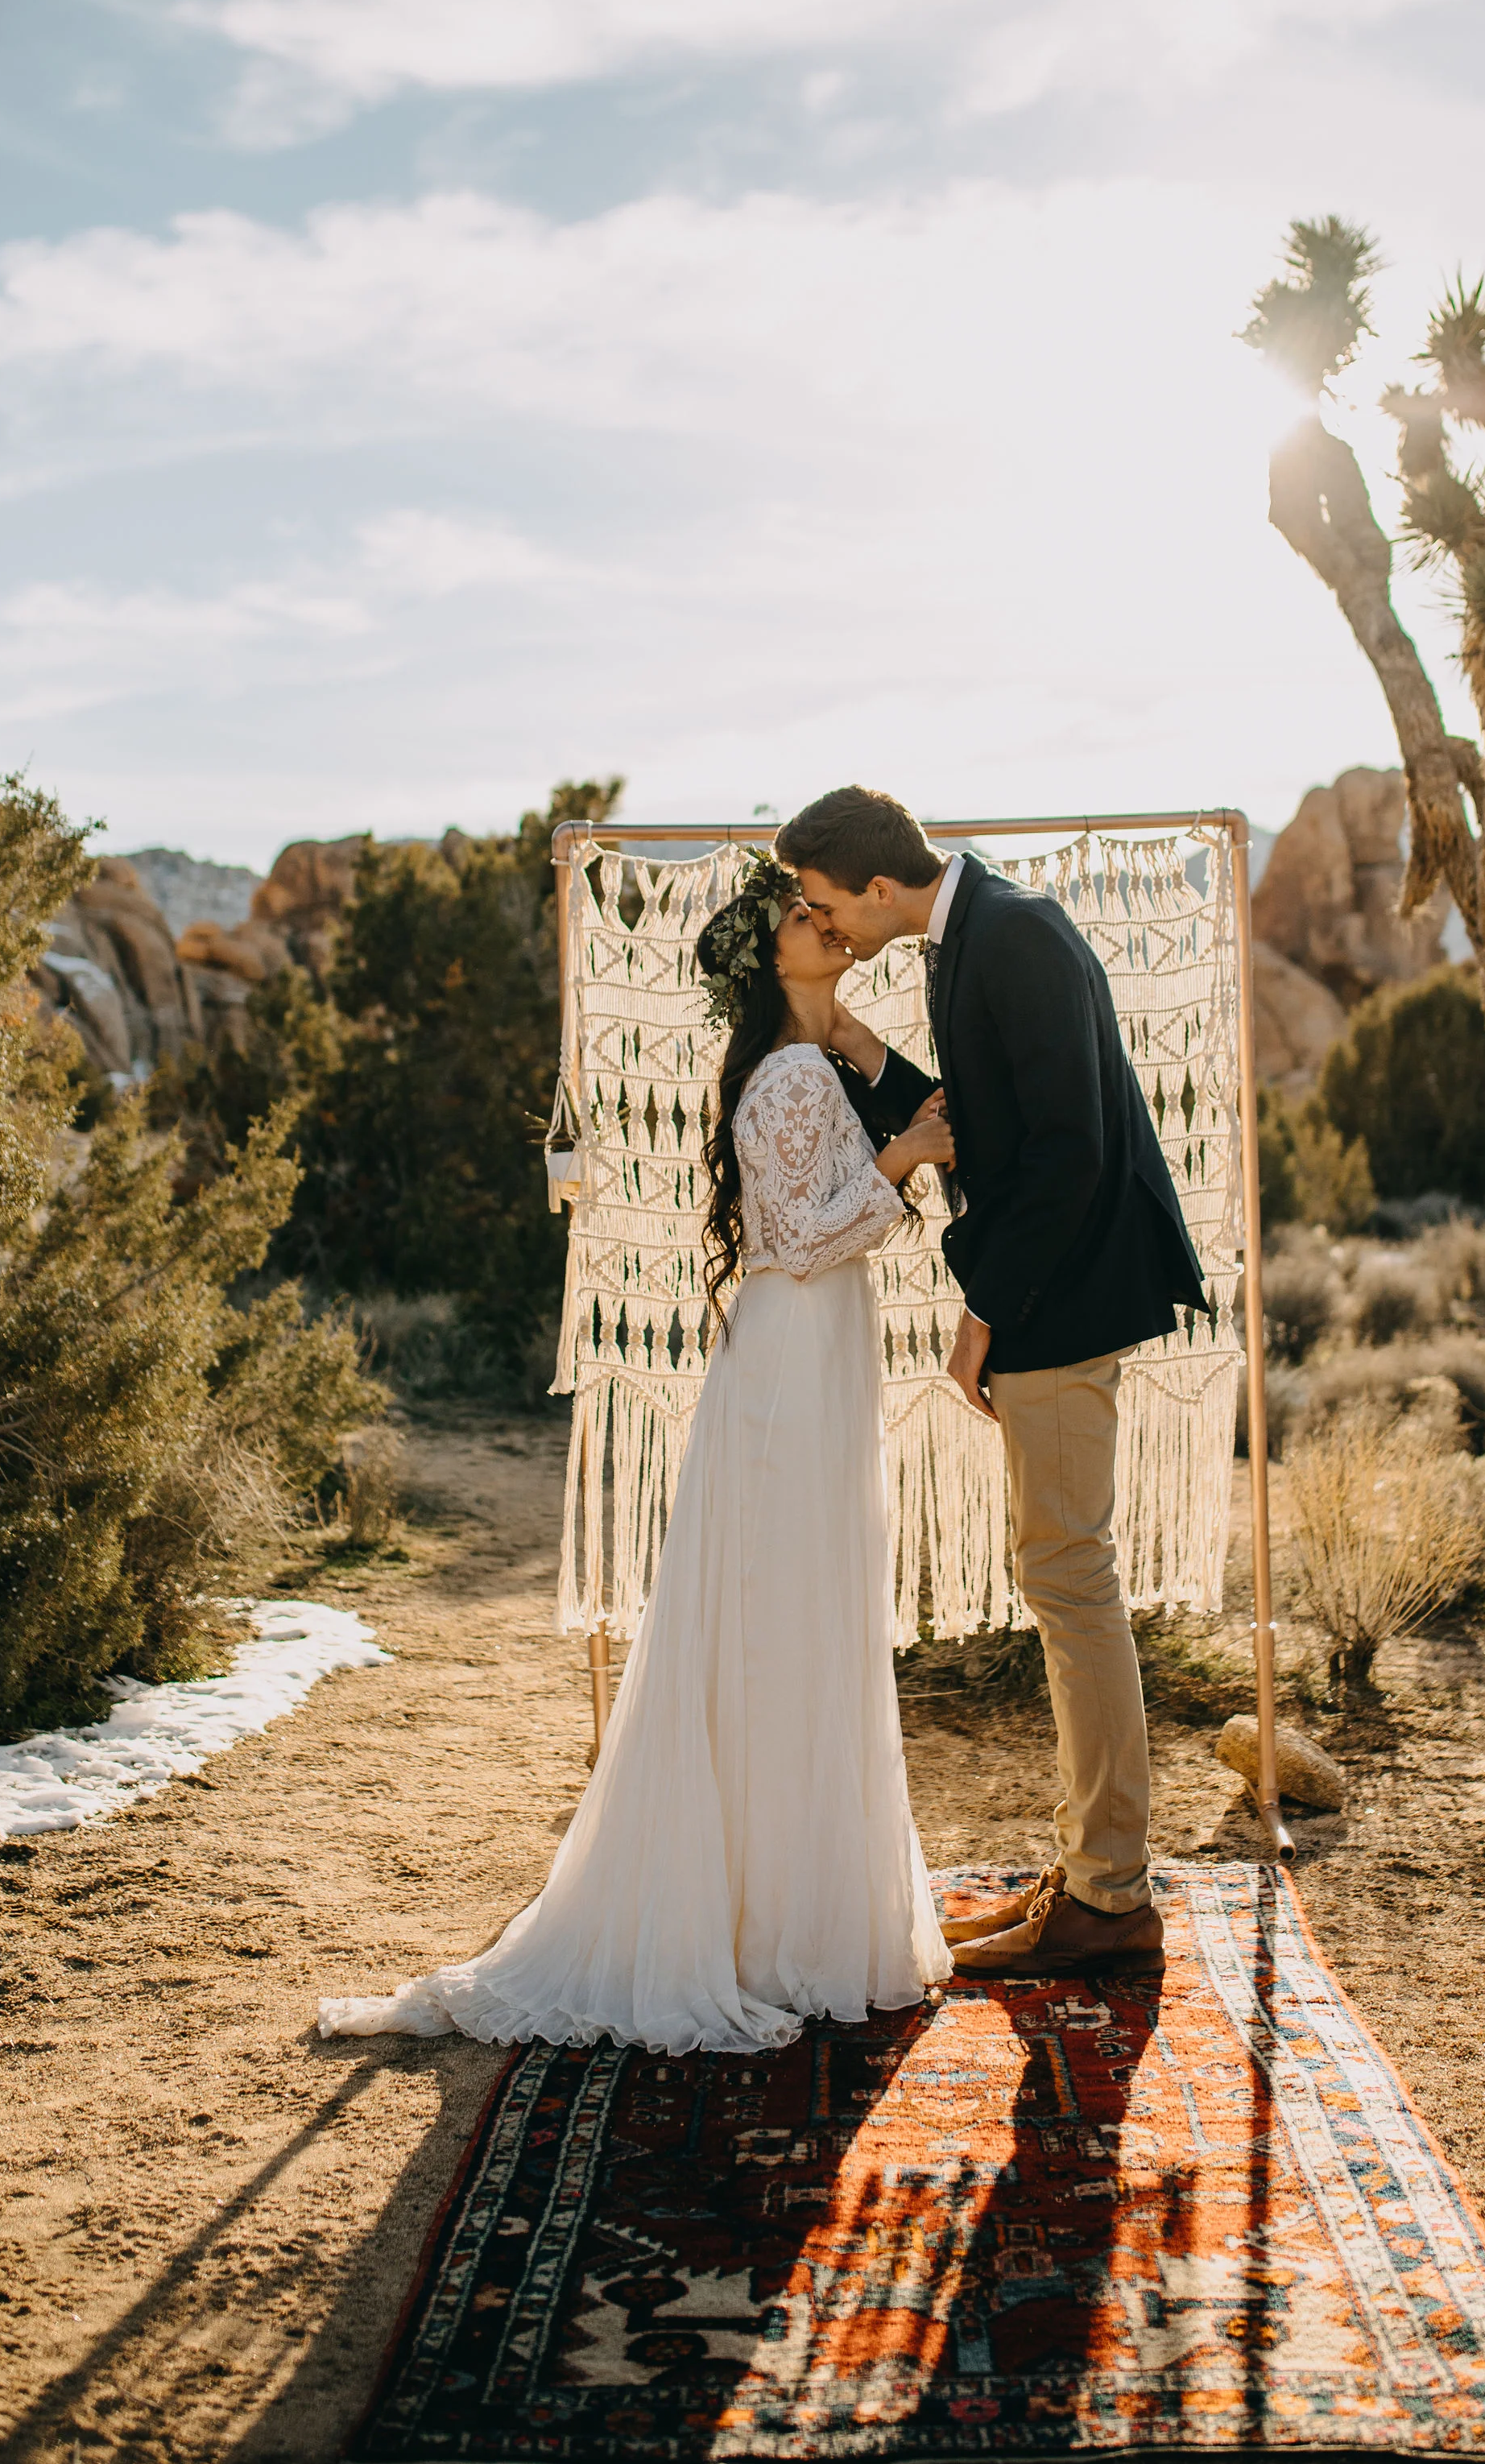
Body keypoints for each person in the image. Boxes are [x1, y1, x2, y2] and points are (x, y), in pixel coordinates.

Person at [316, 855, 957, 2055]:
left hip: (814, 1358)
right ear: (770, 958)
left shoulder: (823, 1058)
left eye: (825, 910)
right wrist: (903, 1162)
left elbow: (861, 1157)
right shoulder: (785, 1078)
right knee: (774, 1625)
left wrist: (878, 1081)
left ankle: (799, 1917)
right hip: (785, 1366)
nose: (828, 924)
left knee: (810, 1620)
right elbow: (792, 1239)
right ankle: (771, 1932)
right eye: (805, 920)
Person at [779, 785, 1210, 1982]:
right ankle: (1089, 1871)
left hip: (1066, 1299)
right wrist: (864, 1049)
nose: (824, 925)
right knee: (1065, 1577)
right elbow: (982, 1126)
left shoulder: (1013, 934)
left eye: (824, 903)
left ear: (875, 886)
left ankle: (1111, 1896)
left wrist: (982, 1315)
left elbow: (1069, 1154)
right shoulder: (977, 934)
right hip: (1055, 1293)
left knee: (1072, 1582)